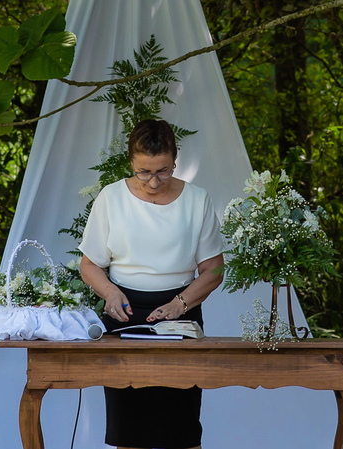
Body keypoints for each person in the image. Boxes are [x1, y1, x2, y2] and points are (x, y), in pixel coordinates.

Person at [78, 118, 225, 449]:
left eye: (163, 171)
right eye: (144, 171)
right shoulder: (111, 197)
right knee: (128, 431)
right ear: (131, 161)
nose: (154, 181)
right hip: (123, 312)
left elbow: (214, 269)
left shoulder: (197, 199)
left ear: (175, 160)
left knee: (183, 429)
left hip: (181, 314)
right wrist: (110, 293)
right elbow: (89, 265)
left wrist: (180, 304)